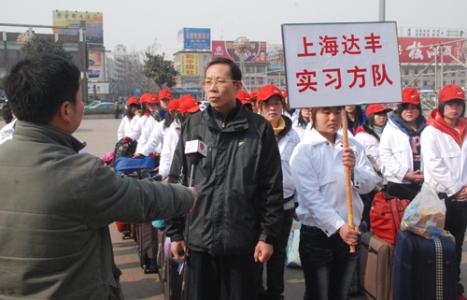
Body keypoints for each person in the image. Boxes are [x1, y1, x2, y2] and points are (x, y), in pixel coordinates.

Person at [0, 55, 197, 299]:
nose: (83, 106)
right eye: (81, 99)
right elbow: (143, 199)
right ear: (65, 110)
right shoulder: (79, 172)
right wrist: (188, 195)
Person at [167, 57, 284, 300]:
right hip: (199, 239)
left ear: (238, 87)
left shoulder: (258, 129)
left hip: (243, 243)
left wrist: (267, 236)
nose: (212, 88)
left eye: (220, 81)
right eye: (208, 82)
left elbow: (271, 188)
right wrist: (175, 232)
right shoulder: (193, 126)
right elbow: (178, 178)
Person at [290, 106, 377, 300]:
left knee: (340, 293)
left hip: (350, 233)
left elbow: (370, 183)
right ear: (313, 115)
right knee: (318, 294)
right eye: (326, 112)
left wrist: (354, 170)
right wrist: (339, 227)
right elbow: (311, 198)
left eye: (337, 113)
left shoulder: (352, 144)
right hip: (317, 235)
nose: (332, 118)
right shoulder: (304, 150)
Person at [421, 84, 467, 300]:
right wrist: (456, 188)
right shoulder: (431, 131)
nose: (455, 109)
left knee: (456, 244)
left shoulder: (466, 129)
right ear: (441, 105)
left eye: (458, 104)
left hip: (462, 199)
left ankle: (453, 287)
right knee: (435, 246)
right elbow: (434, 165)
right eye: (450, 104)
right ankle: (433, 288)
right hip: (438, 200)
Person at [256, 84, 300, 300]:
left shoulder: (294, 136)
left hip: (285, 204)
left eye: (276, 103)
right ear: (259, 106)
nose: (272, 108)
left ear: (282, 106)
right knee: (255, 253)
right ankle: (256, 292)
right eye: (267, 104)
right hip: (257, 205)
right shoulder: (252, 132)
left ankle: (276, 294)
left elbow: (299, 171)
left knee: (277, 252)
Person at [380, 87, 426, 201]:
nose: (409, 111)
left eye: (413, 107)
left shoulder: (427, 127)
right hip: (399, 184)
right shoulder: (391, 128)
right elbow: (385, 155)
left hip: (425, 183)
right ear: (400, 109)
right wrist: (405, 174)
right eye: (405, 107)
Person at [354, 104, 392, 227]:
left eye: (384, 114)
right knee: (372, 214)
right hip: (373, 184)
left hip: (389, 180)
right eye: (379, 114)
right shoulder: (361, 136)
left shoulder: (390, 133)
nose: (382, 117)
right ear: (370, 116)